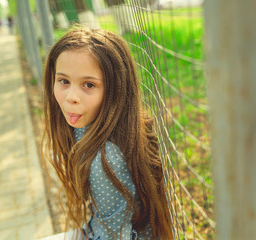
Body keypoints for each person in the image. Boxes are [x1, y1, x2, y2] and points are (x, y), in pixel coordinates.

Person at [41, 27, 173, 240]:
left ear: (115, 89)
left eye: (89, 84)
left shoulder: (106, 160)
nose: (71, 97)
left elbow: (116, 236)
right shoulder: (94, 127)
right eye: (64, 81)